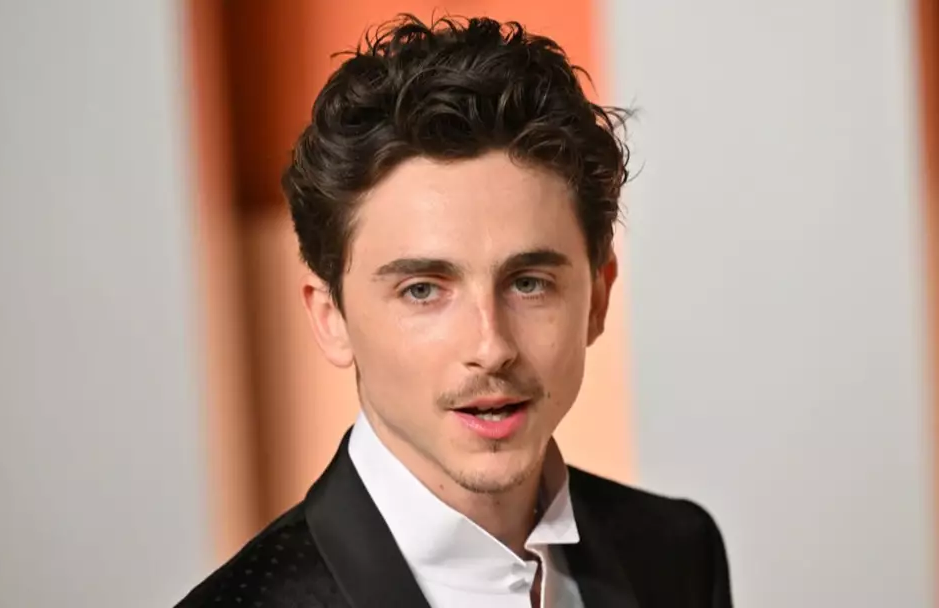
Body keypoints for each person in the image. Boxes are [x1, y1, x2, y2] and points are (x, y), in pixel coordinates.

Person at [177, 14, 732, 608]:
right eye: (423, 290)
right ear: (330, 318)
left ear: (597, 298)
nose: (490, 347)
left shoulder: (678, 554)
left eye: (528, 283)